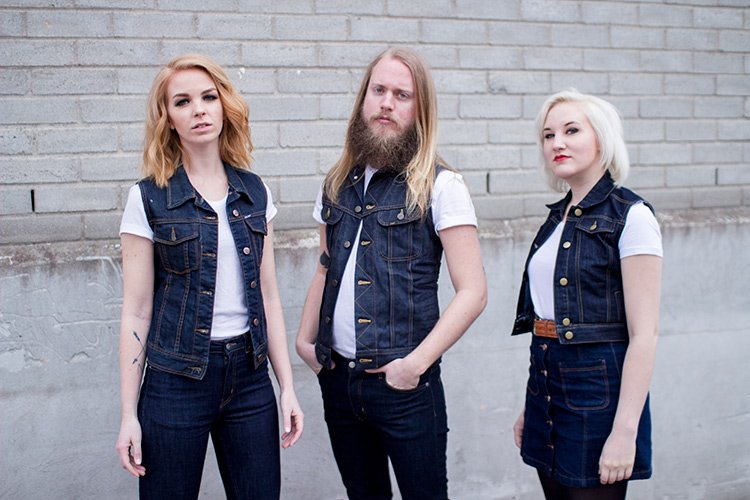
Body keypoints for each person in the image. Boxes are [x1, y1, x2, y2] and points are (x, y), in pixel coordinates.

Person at [295, 47, 487, 500]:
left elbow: (474, 292)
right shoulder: (336, 183)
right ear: (363, 98)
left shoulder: (440, 185)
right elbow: (325, 267)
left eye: (402, 95)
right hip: (339, 380)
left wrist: (414, 365)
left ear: (420, 110)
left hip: (405, 388)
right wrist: (305, 343)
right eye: (378, 90)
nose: (386, 103)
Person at [114, 54, 303, 500]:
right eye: (182, 101)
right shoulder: (148, 198)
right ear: (168, 118)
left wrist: (287, 387)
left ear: (224, 106)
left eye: (208, 97)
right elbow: (137, 311)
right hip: (175, 381)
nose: (198, 109)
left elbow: (270, 298)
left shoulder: (255, 192)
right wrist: (128, 414)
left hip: (250, 377)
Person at [511, 90, 662, 500]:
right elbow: (550, 319)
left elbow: (645, 334)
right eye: (548, 135)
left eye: (571, 130)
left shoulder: (632, 216)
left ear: (602, 137)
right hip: (546, 387)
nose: (556, 143)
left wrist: (624, 432)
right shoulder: (555, 219)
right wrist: (533, 402)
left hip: (598, 395)